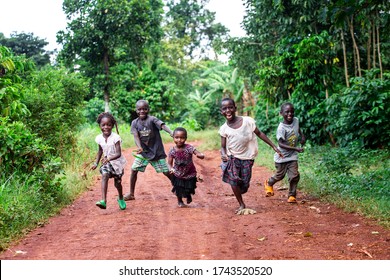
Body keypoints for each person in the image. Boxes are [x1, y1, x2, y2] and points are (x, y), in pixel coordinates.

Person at [219, 97, 283, 213]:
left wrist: (273, 146)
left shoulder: (247, 121)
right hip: (232, 157)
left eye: (230, 107)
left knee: (244, 184)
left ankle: (240, 189)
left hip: (247, 157)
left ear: (235, 108)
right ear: (221, 112)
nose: (228, 110)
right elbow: (223, 147)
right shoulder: (224, 129)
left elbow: (259, 133)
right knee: (233, 180)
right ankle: (241, 204)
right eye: (224, 109)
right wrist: (224, 155)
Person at [124, 99, 173, 201]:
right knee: (134, 170)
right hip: (143, 152)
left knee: (166, 171)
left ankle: (178, 186)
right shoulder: (134, 123)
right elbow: (136, 136)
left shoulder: (152, 119)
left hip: (156, 151)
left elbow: (162, 125)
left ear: (148, 110)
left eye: (145, 109)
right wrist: (139, 147)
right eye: (139, 109)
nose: (142, 111)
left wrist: (171, 132)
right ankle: (131, 194)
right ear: (136, 110)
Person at [264, 102, 306, 203]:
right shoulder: (281, 128)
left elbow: (298, 129)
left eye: (292, 112)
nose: (290, 114)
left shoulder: (296, 120)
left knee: (294, 175)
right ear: (281, 113)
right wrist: (296, 148)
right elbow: (281, 144)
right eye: (287, 112)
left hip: (292, 156)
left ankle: (292, 195)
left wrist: (302, 136)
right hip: (282, 156)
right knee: (280, 175)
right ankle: (269, 183)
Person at [91, 112, 127, 210]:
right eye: (103, 125)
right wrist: (96, 163)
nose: (106, 127)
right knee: (104, 174)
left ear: (112, 126)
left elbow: (118, 153)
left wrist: (109, 158)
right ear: (100, 126)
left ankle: (120, 197)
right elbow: (100, 151)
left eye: (109, 125)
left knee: (118, 183)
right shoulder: (99, 138)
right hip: (107, 163)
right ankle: (104, 200)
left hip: (117, 163)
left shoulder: (116, 138)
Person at [167, 127, 205, 207]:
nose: (179, 140)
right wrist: (170, 169)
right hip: (178, 173)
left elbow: (197, 152)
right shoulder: (172, 150)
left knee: (189, 187)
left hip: (189, 172)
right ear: (173, 137)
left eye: (182, 138)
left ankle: (188, 195)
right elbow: (169, 163)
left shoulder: (189, 148)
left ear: (186, 138)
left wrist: (200, 155)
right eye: (176, 137)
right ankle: (180, 201)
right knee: (178, 187)